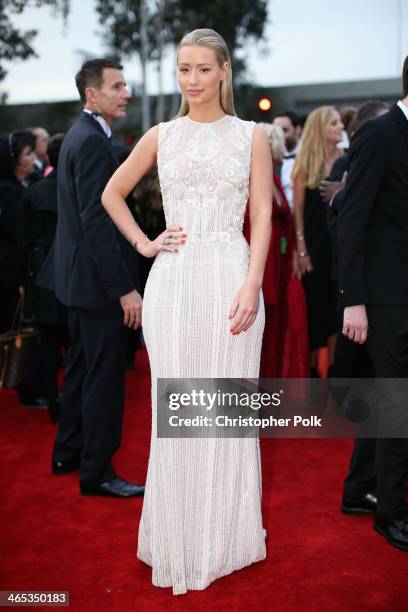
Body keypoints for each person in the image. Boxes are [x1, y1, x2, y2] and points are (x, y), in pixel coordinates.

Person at [101, 28, 272, 595]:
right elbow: (111, 193)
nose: (192, 80)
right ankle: (179, 539)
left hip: (229, 277)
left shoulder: (251, 136)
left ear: (224, 70)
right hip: (174, 286)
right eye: (183, 70)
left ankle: (227, 537)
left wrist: (252, 284)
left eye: (202, 69)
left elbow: (264, 219)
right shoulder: (161, 134)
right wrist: (146, 245)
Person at [42, 59, 144, 498]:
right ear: (92, 94)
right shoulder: (91, 143)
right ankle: (97, 472)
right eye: (117, 86)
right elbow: (97, 222)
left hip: (77, 281)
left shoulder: (80, 136)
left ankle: (68, 452)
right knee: (104, 379)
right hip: (98, 284)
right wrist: (124, 289)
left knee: (83, 368)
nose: (125, 93)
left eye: (125, 85)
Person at [338, 55, 408, 551]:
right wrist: (353, 301)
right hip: (385, 299)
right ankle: (391, 512)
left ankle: (360, 487)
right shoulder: (379, 134)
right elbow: (351, 220)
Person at [244, 124, 308, 378]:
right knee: (264, 325)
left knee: (277, 323)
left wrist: (293, 251)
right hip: (265, 259)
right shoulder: (255, 178)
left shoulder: (271, 178)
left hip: (279, 258)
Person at [292, 106, 344, 376]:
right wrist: (301, 249)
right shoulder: (305, 164)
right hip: (313, 249)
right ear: (320, 127)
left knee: (337, 313)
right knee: (316, 314)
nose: (341, 127)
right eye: (334, 123)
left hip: (340, 248)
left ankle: (334, 374)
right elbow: (298, 212)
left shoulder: (347, 161)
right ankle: (314, 375)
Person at [21, 133, 68, 422]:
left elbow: (24, 240)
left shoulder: (34, 191)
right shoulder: (77, 190)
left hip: (40, 273)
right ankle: (72, 399)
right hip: (69, 270)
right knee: (75, 342)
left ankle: (51, 396)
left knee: (48, 342)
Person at [0, 132, 37, 335]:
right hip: (9, 273)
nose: (34, 158)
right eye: (28, 153)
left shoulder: (19, 187)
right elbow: (17, 234)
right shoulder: (7, 192)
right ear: (14, 159)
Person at [273, 110, 302, 212]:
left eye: (284, 130)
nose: (280, 135)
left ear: (298, 130)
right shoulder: (273, 161)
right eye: (276, 131)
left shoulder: (310, 156)